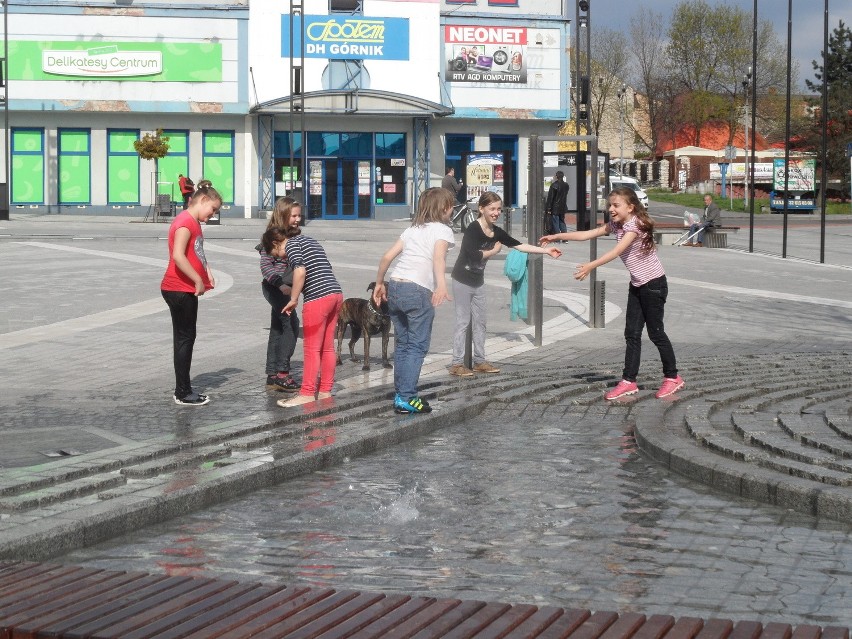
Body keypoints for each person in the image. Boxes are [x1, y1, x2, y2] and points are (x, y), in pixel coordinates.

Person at [540, 185, 685, 401]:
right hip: (637, 285)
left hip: (654, 285)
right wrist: (556, 235)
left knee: (655, 333)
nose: (611, 209)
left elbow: (617, 251)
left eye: (616, 205)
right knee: (631, 334)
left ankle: (672, 377)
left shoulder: (635, 225)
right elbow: (588, 233)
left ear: (631, 207)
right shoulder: (617, 225)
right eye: (610, 205)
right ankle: (628, 381)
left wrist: (591, 266)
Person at [449, 191, 562, 377]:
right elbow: (473, 255)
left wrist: (547, 251)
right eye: (492, 208)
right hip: (462, 280)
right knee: (462, 322)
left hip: (478, 281)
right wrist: (494, 251)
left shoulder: (496, 231)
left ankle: (479, 361)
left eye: (499, 209)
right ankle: (456, 363)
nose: (496, 212)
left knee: (481, 322)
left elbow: (518, 245)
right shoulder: (473, 229)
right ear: (481, 209)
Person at [373, 187, 455, 414]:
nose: (452, 209)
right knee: (417, 346)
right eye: (451, 206)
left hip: (396, 286)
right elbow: (439, 257)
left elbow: (387, 257)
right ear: (444, 208)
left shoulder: (412, 229)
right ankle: (407, 397)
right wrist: (441, 285)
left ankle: (402, 393)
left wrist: (379, 284)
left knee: (404, 343)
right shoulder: (443, 230)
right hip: (418, 290)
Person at [264, 226, 343, 408]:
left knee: (311, 349)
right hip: (335, 293)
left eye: (276, 253)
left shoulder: (290, 246)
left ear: (276, 243)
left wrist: (293, 299)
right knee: (328, 348)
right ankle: (324, 391)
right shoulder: (309, 241)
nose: (281, 258)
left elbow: (300, 270)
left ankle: (307, 393)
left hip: (318, 298)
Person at [160, 184, 222, 406]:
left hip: (183, 288)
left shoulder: (193, 221)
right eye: (213, 209)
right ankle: (183, 392)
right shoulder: (185, 222)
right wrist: (197, 279)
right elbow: (178, 255)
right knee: (185, 338)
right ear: (203, 200)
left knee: (185, 337)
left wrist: (207, 272)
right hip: (179, 288)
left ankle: (184, 388)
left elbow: (196, 252)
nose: (212, 215)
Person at [257, 197, 302, 392]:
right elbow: (266, 267)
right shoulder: (272, 237)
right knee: (290, 326)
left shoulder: (294, 235)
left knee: (277, 328)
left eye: (299, 215)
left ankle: (272, 374)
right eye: (293, 215)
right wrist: (281, 285)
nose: (297, 219)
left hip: (287, 287)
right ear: (283, 215)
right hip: (276, 287)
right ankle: (282, 373)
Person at [545, 171, 569, 235]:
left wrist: (549, 208)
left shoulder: (554, 185)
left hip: (555, 207)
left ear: (556, 176)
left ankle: (557, 238)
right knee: (562, 222)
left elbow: (550, 198)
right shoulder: (566, 185)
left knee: (555, 223)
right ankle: (565, 238)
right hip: (563, 207)